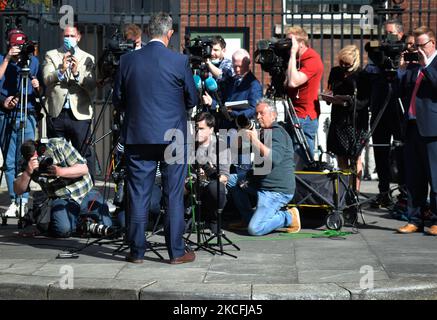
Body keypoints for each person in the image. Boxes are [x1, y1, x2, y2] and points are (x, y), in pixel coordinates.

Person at [113, 12, 198, 264]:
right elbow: (192, 99)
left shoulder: (128, 61)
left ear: (149, 32)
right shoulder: (179, 61)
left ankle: (136, 252)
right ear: (169, 34)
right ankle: (176, 252)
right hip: (173, 136)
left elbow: (118, 99)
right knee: (173, 193)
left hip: (138, 136)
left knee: (138, 193)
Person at [13, 137, 112, 238]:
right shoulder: (26, 164)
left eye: (42, 156)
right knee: (62, 230)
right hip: (61, 198)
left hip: (85, 192)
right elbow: (18, 190)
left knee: (107, 227)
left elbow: (84, 169)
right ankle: (82, 224)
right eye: (35, 158)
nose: (40, 159)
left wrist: (59, 171)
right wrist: (27, 173)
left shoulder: (58, 145)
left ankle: (81, 222)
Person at [229, 99, 300, 236]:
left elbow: (274, 158)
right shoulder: (263, 133)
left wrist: (255, 140)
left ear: (273, 115)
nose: (258, 117)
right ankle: (248, 218)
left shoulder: (278, 133)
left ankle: (289, 216)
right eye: (256, 114)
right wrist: (243, 132)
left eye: (262, 113)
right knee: (230, 180)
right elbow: (235, 149)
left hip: (275, 191)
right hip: (259, 184)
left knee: (255, 229)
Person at [397, 26, 437, 236]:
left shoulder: (432, 64)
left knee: (435, 176)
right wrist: (402, 70)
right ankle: (414, 218)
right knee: (414, 177)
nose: (418, 49)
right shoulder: (414, 67)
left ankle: (436, 219)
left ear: (433, 43)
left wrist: (426, 65)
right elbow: (398, 92)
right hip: (412, 126)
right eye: (415, 45)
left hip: (432, 129)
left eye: (421, 45)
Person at [42, 25, 97, 178]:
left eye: (72, 36)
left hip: (79, 114)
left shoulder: (88, 58)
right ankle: (58, 194)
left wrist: (76, 73)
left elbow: (92, 86)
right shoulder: (51, 55)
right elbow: (46, 79)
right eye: (66, 36)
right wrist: (60, 70)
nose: (69, 39)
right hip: (57, 113)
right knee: (55, 154)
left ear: (78, 37)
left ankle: (89, 191)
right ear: (62, 37)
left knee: (84, 154)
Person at [0, 29, 41, 218]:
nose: (18, 49)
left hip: (28, 114)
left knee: (26, 159)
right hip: (6, 116)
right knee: (9, 162)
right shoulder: (3, 60)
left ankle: (24, 199)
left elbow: (42, 90)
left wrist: (37, 85)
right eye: (14, 45)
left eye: (20, 45)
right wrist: (8, 59)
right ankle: (14, 200)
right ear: (9, 45)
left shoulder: (33, 62)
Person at [366, 19, 406, 208]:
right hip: (379, 106)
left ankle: (404, 192)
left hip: (398, 107)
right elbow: (369, 70)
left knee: (401, 150)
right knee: (380, 149)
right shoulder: (379, 52)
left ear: (400, 34)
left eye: (390, 33)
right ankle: (383, 191)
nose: (387, 38)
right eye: (385, 34)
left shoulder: (406, 52)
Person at [326, 45, 370, 190]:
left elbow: (365, 101)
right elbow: (330, 90)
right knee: (341, 157)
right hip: (339, 120)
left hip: (355, 122)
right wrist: (329, 97)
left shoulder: (361, 75)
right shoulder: (335, 72)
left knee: (356, 157)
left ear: (355, 62)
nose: (344, 66)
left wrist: (348, 101)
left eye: (347, 64)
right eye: (341, 63)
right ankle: (345, 191)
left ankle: (355, 191)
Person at [286, 26, 324, 167]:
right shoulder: (296, 59)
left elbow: (293, 81)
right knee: (291, 153)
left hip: (305, 115)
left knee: (301, 154)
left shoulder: (312, 60)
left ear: (300, 43)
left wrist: (291, 54)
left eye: (290, 42)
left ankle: (303, 186)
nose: (288, 45)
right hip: (293, 111)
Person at [192, 112, 231, 233]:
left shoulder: (221, 146)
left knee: (216, 187)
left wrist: (208, 177)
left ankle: (214, 219)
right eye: (196, 128)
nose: (198, 132)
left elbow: (224, 177)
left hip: (211, 187)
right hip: (192, 187)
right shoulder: (188, 146)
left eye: (202, 129)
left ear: (211, 129)